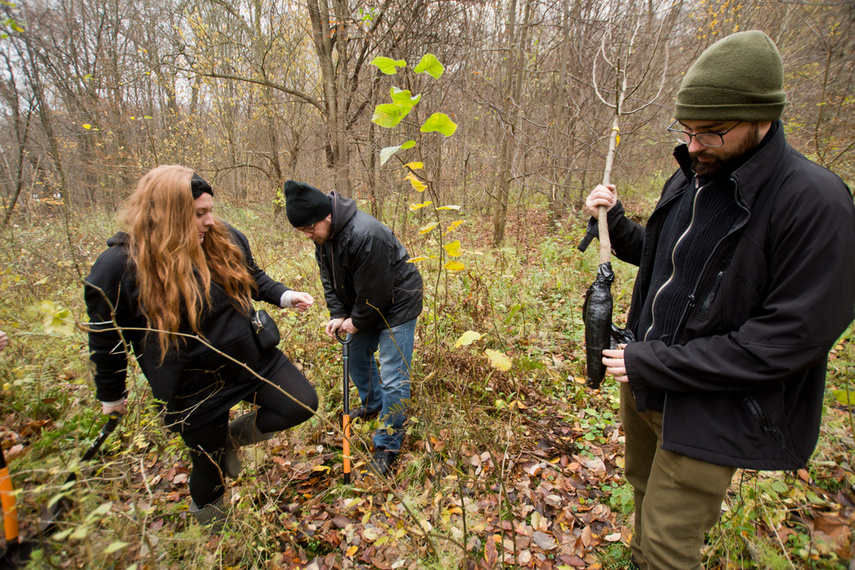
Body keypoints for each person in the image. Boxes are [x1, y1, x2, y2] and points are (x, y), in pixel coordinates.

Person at [582, 31, 855, 569]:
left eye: (711, 132)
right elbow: (666, 261)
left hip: (711, 402)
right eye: (686, 130)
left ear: (763, 120)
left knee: (668, 545)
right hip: (648, 381)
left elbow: (787, 341)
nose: (694, 144)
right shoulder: (695, 175)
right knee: (641, 491)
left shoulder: (815, 204)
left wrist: (656, 361)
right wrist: (614, 222)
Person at [85, 165, 319, 529]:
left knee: (301, 402)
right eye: (199, 214)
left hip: (250, 359)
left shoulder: (221, 238)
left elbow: (252, 276)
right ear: (165, 213)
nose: (210, 221)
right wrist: (111, 395)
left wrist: (284, 296)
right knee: (208, 468)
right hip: (190, 386)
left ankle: (231, 438)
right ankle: (216, 534)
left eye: (209, 210)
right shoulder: (117, 267)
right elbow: (106, 339)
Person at [283, 180, 423, 476]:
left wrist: (356, 321)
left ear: (327, 216)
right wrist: (338, 315)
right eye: (303, 232)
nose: (308, 236)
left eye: (310, 229)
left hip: (398, 303)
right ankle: (373, 404)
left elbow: (378, 290)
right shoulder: (323, 237)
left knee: (393, 374)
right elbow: (328, 278)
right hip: (366, 304)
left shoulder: (366, 234)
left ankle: (388, 444)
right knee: (356, 356)